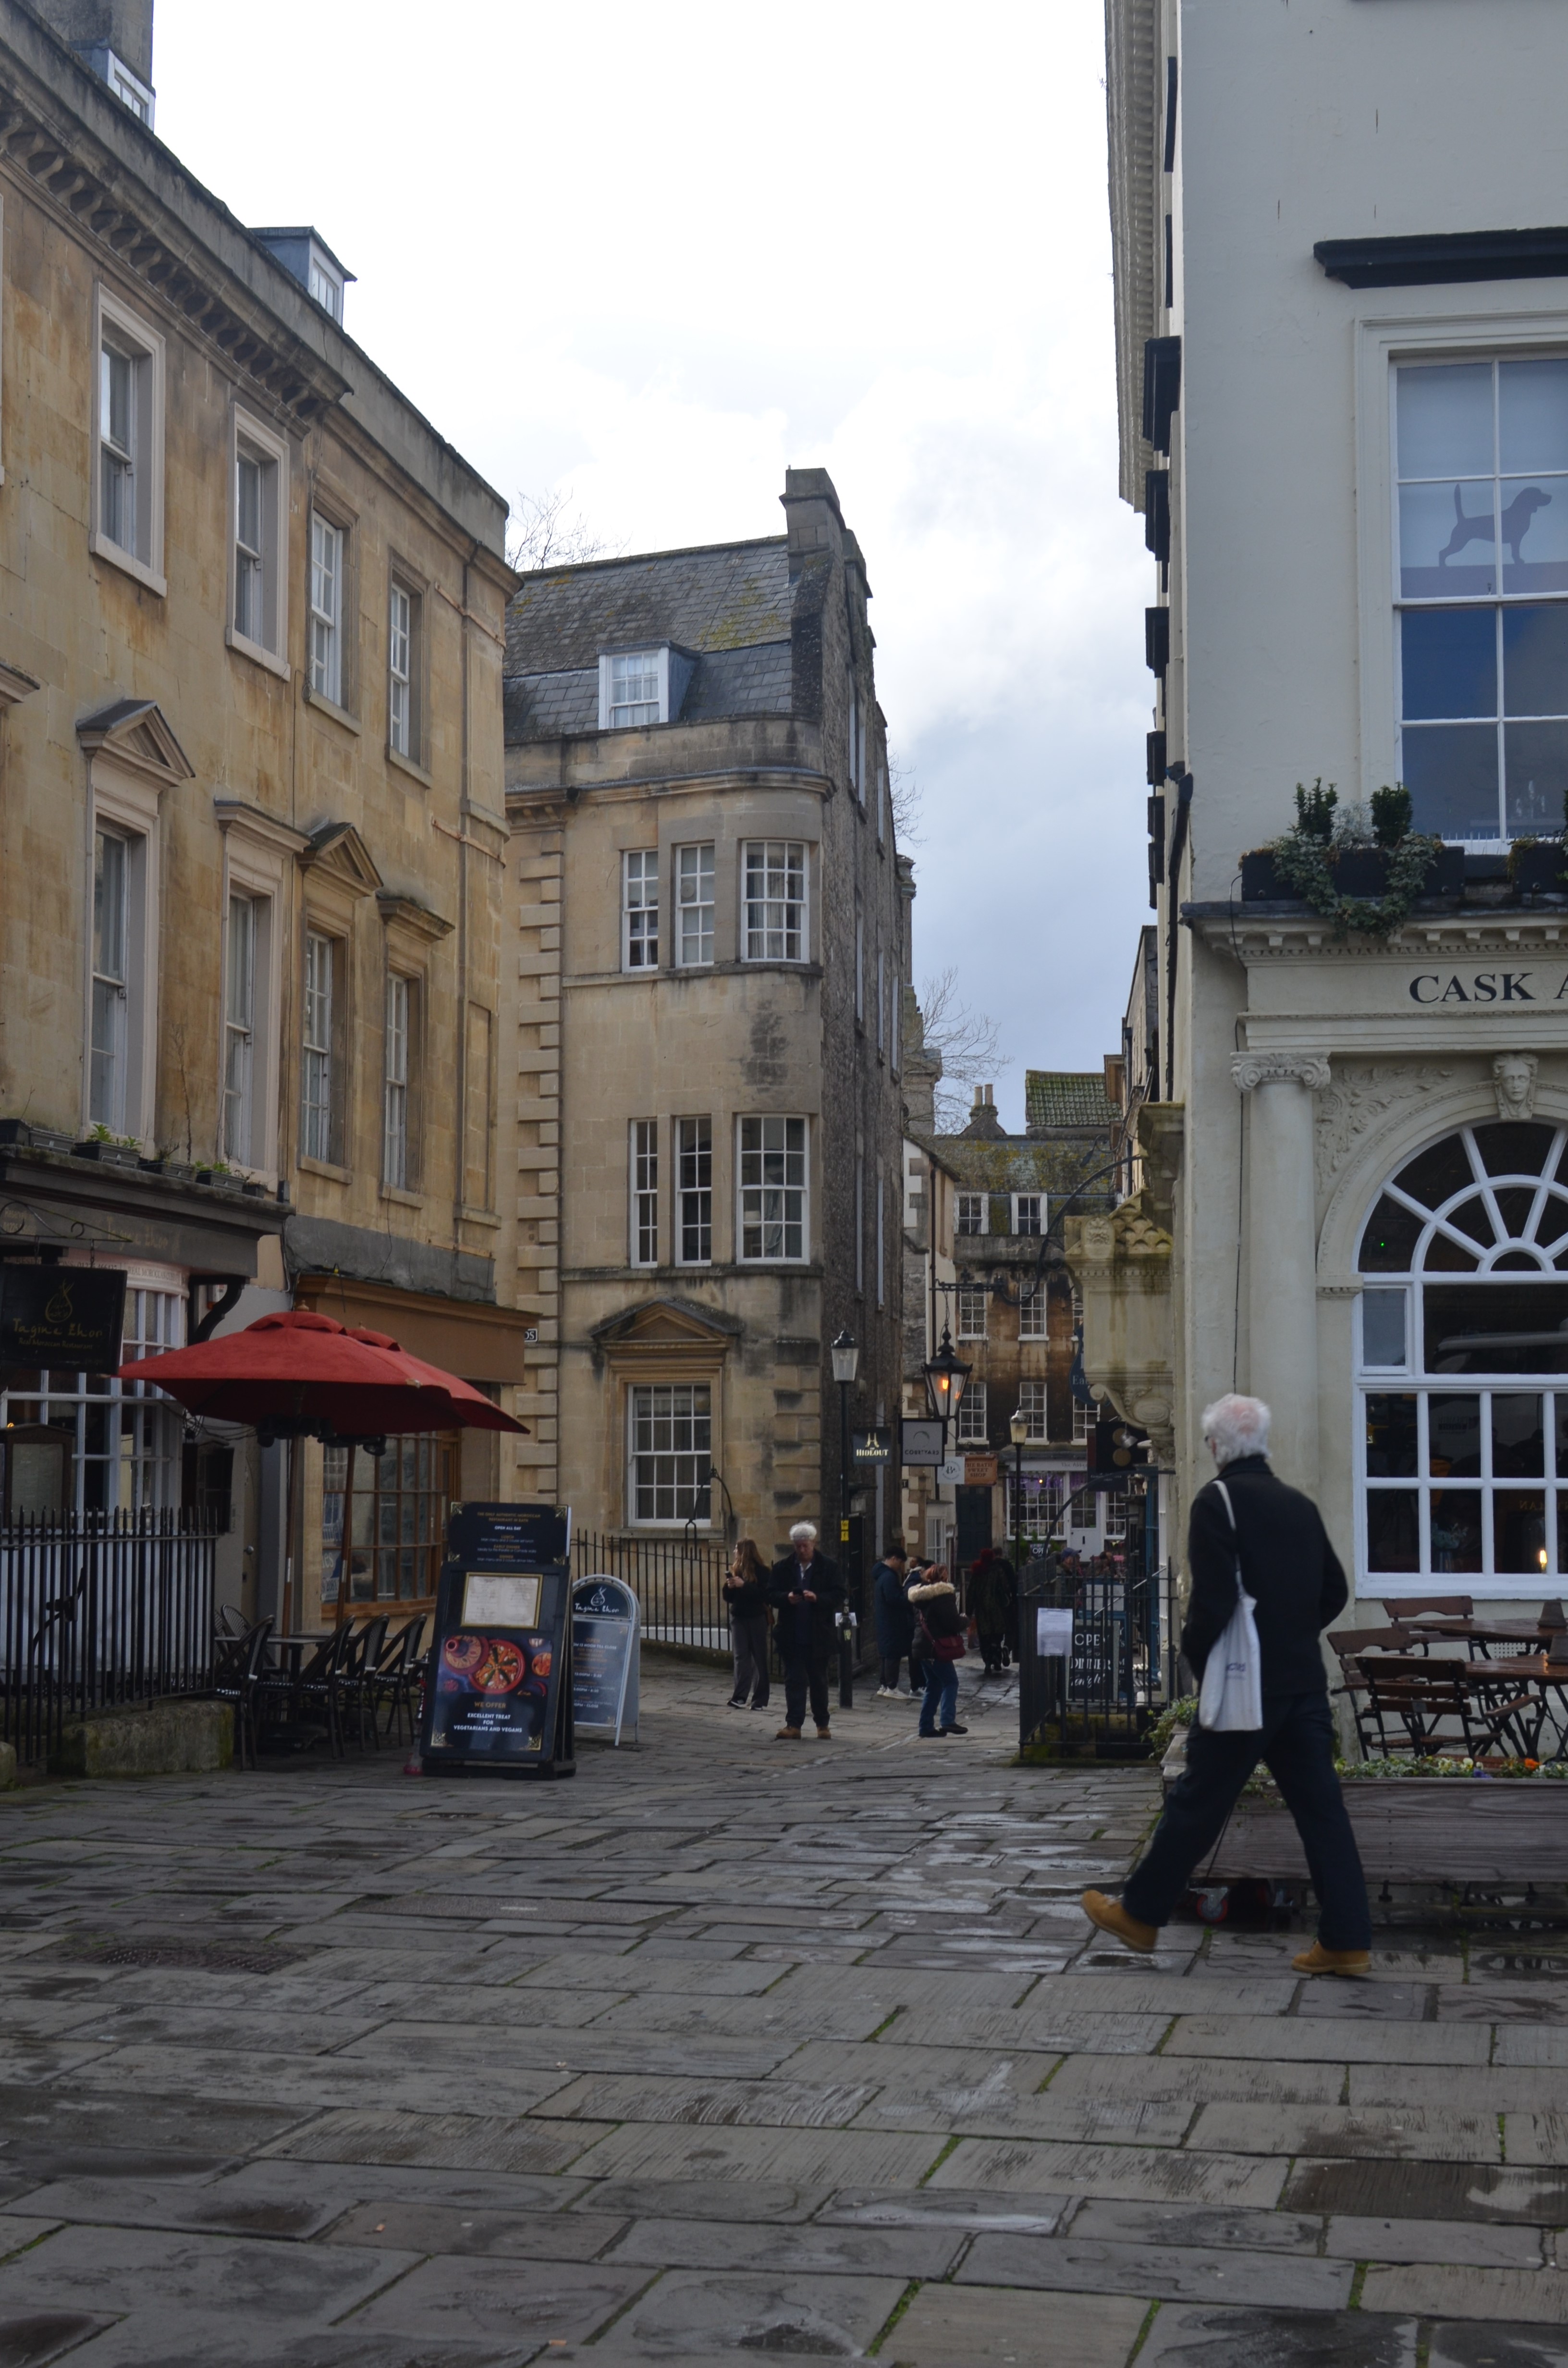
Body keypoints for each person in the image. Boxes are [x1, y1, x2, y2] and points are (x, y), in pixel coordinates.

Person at [1082, 1393, 1372, 1977]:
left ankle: (1140, 1914)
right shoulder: (1300, 1505)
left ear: (1217, 1446)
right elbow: (1334, 1590)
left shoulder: (1218, 1502)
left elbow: (1212, 1603)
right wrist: (1290, 1632)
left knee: (1199, 1800)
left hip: (1245, 1688)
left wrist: (1200, 1660)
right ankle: (1346, 1940)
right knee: (1323, 1813)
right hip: (1303, 1688)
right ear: (1261, 1443)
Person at [767, 1521, 845, 1739]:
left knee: (819, 1681)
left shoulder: (829, 1567)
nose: (802, 1550)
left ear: (814, 1543)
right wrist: (787, 1598)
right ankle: (794, 1725)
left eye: (806, 1546)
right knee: (794, 1680)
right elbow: (771, 1593)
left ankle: (822, 1725)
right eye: (798, 1546)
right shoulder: (783, 1568)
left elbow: (839, 1594)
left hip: (818, 1634)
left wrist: (818, 1598)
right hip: (792, 1635)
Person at [907, 1562, 968, 1737]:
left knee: (934, 1685)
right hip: (937, 1648)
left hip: (922, 1646)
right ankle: (947, 1719)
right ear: (944, 1577)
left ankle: (925, 1727)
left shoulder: (919, 1596)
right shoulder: (944, 1596)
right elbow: (953, 1623)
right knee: (951, 1682)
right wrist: (966, 1620)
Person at [723, 1538, 772, 1711]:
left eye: (737, 1549)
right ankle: (740, 1697)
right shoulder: (737, 1570)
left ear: (745, 1552)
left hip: (757, 1618)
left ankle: (759, 1700)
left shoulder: (763, 1572)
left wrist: (744, 1586)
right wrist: (730, 1586)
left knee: (759, 1658)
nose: (735, 1552)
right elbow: (729, 1598)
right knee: (740, 1658)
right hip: (738, 1619)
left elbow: (764, 1596)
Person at [871, 1544, 913, 1697]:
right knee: (892, 1654)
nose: (901, 1566)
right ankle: (892, 1687)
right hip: (892, 1621)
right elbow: (892, 1598)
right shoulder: (889, 1576)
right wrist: (908, 1599)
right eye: (901, 1562)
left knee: (885, 1653)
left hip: (884, 1619)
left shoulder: (881, 1575)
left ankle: (884, 1685)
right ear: (894, 1559)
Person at [968, 1548, 1014, 1676]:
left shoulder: (977, 1572)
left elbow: (971, 1591)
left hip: (982, 1610)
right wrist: (1007, 1602)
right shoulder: (997, 1571)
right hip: (997, 1609)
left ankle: (988, 1662)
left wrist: (969, 1610)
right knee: (996, 1636)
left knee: (985, 1638)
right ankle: (997, 1659)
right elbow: (1005, 1587)